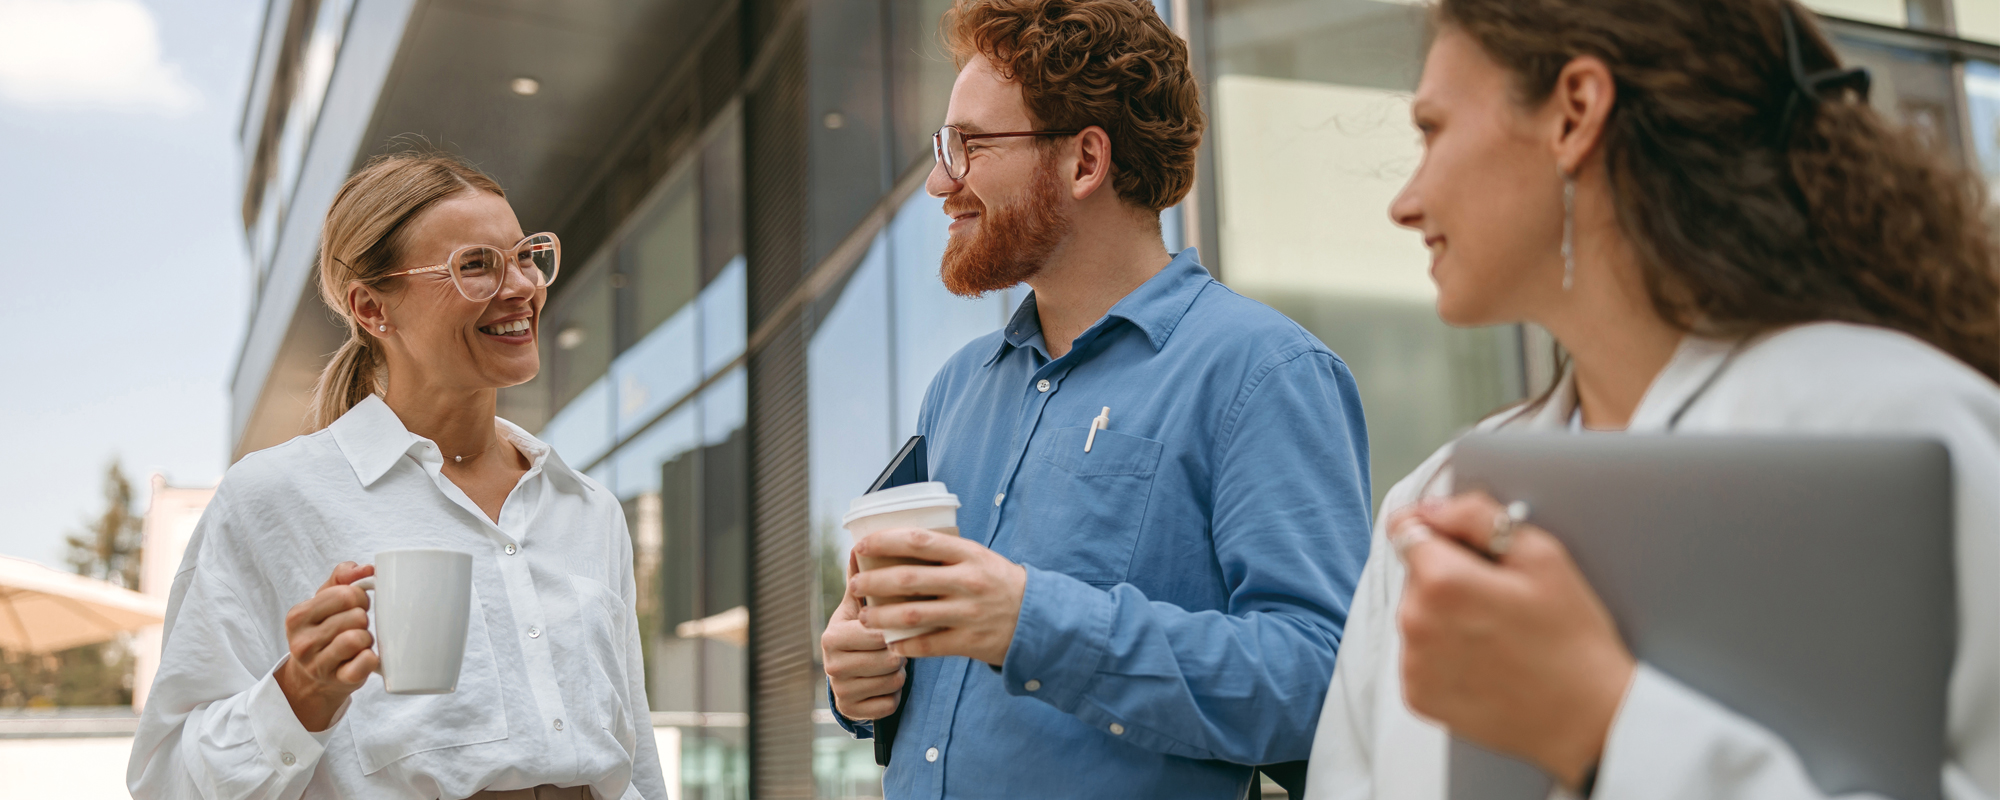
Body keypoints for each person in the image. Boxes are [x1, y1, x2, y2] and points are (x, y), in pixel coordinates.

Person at [1304, 1, 2000, 798]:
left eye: (1431, 129)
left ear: (1574, 113)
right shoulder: (1435, 501)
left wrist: (1604, 727)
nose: (1405, 202)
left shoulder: (1902, 425)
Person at [816, 0, 1374, 797]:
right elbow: (933, 676)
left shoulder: (1263, 371)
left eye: (969, 145)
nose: (941, 181)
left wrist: (1029, 622)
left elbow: (1322, 688)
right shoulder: (956, 391)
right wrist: (861, 681)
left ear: (1084, 162)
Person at [128, 152, 668, 800]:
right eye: (476, 265)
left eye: (525, 255)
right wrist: (300, 696)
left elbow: (634, 761)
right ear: (372, 308)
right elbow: (166, 784)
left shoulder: (588, 511)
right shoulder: (274, 500)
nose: (522, 286)